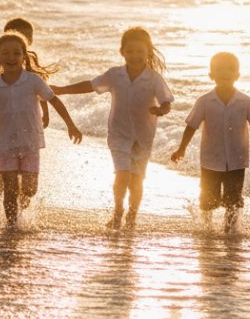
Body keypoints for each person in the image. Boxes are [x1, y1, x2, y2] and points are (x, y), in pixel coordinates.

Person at [53, 27, 173, 230]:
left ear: (148, 53)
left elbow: (167, 102)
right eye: (130, 51)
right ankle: (118, 212)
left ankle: (132, 216)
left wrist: (161, 110)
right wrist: (62, 90)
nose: (135, 56)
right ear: (122, 52)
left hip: (143, 137)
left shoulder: (154, 78)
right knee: (122, 174)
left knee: (137, 180)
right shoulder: (115, 75)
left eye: (140, 52)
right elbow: (90, 85)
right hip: (118, 134)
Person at [0, 32, 82, 227]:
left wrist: (71, 124)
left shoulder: (33, 81)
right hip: (5, 144)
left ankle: (21, 197)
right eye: (6, 53)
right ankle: (12, 226)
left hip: (30, 143)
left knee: (29, 190)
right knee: (9, 189)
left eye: (16, 53)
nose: (11, 58)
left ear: (24, 57)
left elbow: (54, 100)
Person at [171, 52, 250, 233]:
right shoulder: (204, 101)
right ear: (211, 75)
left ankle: (229, 230)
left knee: (233, 199)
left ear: (237, 75)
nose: (225, 72)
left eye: (230, 69)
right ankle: (206, 229)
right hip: (210, 160)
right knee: (209, 200)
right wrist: (181, 149)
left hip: (237, 160)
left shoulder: (246, 101)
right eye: (219, 69)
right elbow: (191, 126)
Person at [0, 18, 47, 196]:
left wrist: (45, 113)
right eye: (15, 33)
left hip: (25, 121)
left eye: (25, 35)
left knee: (26, 155)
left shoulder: (28, 62)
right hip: (0, 117)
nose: (20, 37)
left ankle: (22, 190)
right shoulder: (0, 61)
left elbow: (44, 92)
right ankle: (1, 184)